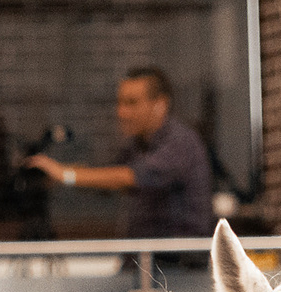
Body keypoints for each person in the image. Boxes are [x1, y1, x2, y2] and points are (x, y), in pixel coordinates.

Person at [24, 67, 212, 268]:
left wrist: (67, 175)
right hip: (142, 265)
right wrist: (56, 175)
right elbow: (107, 175)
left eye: (131, 103)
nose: (121, 112)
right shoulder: (136, 145)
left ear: (160, 105)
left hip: (180, 271)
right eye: (120, 103)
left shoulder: (180, 142)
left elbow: (129, 177)